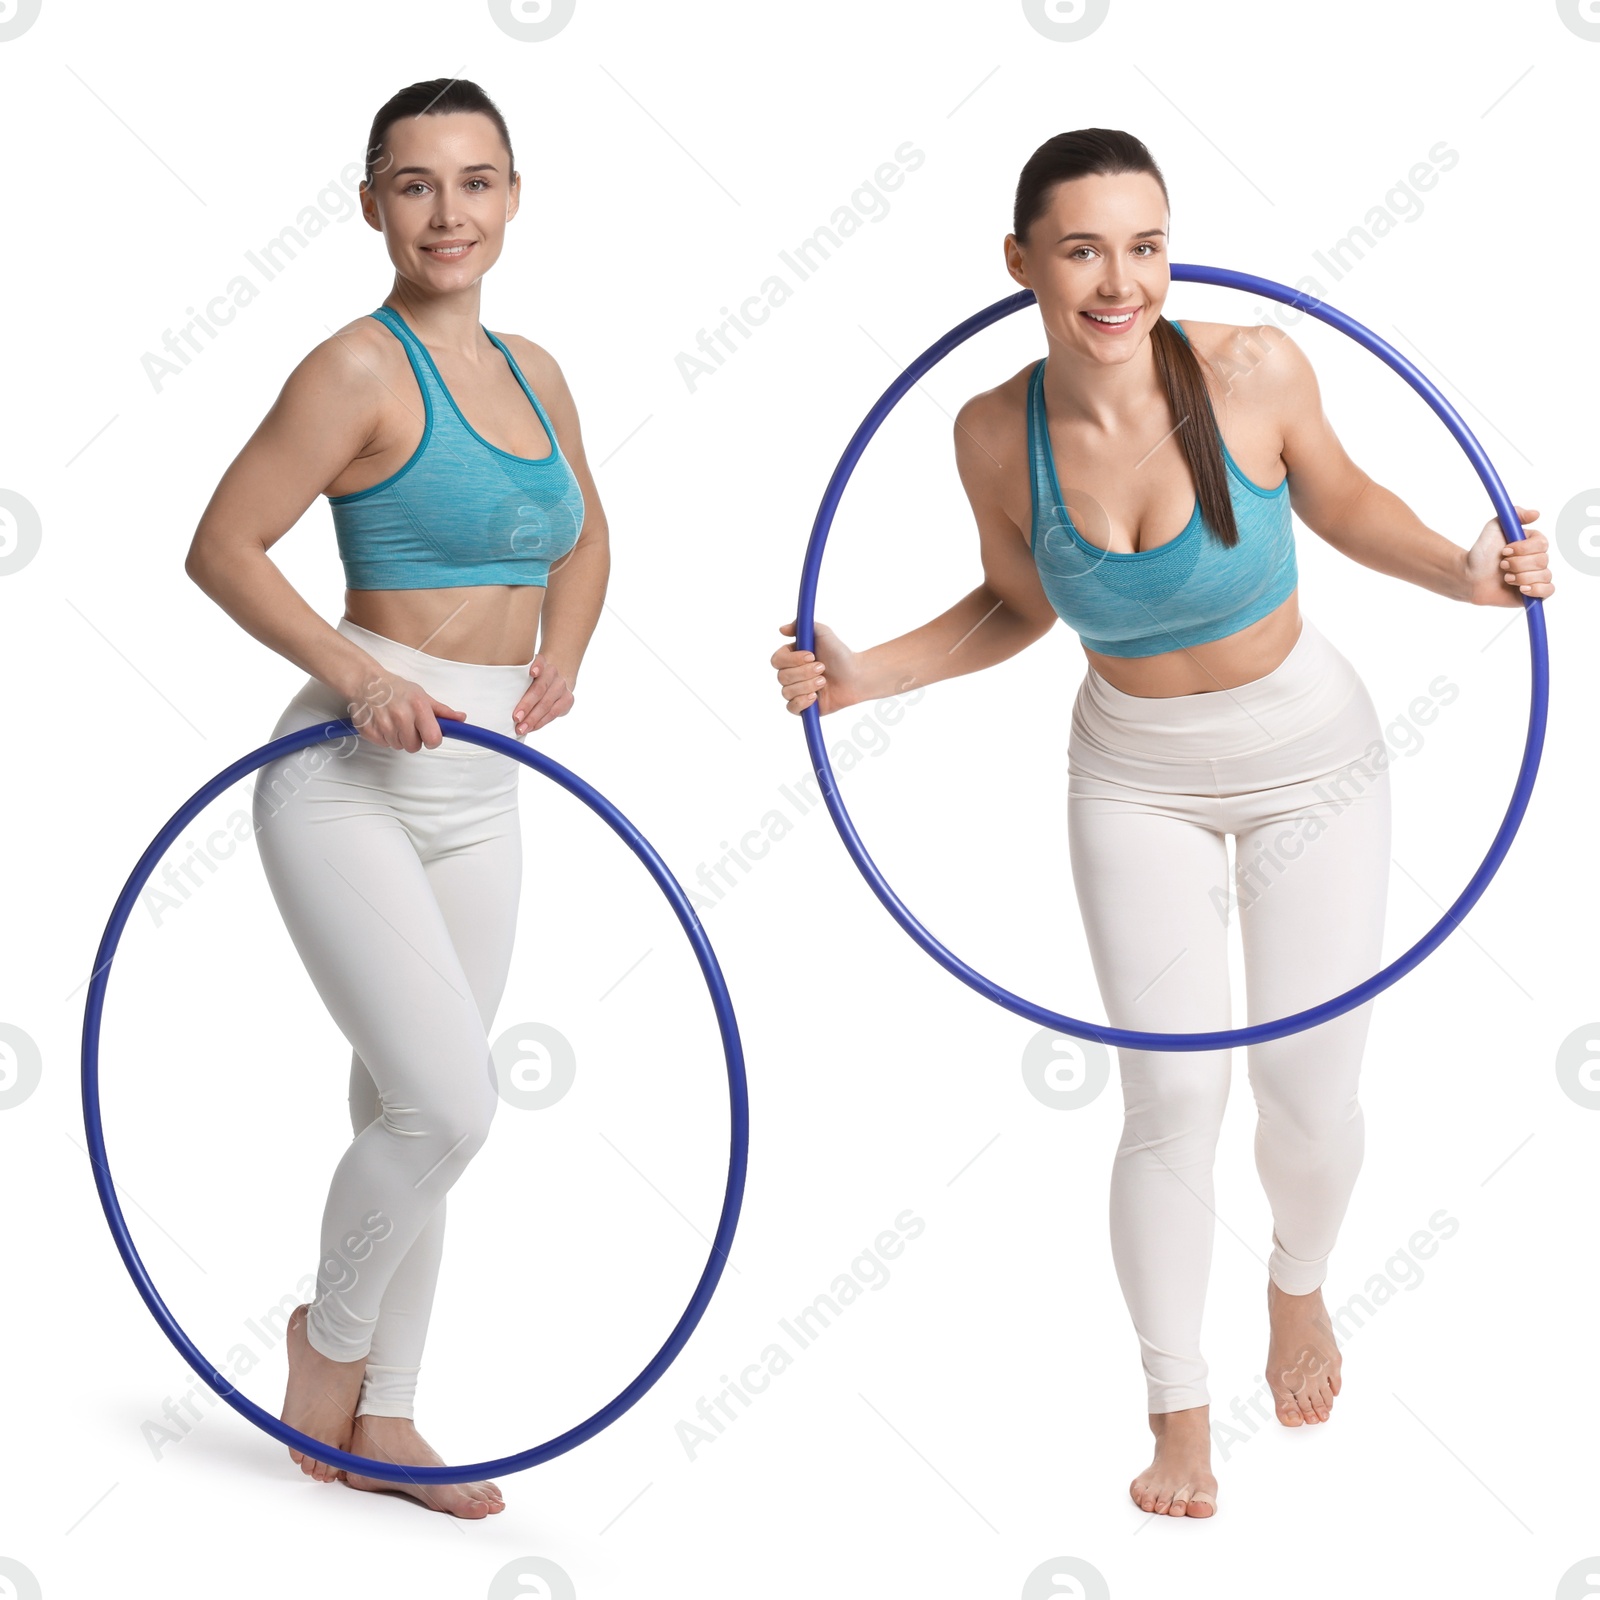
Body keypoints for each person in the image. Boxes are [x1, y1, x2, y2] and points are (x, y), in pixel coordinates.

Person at [769, 128, 1553, 1519]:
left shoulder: (1251, 371)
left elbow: (1349, 499)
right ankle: (1178, 1411)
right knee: (1172, 1094)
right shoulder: (988, 431)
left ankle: (1297, 1284)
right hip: (1132, 775)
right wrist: (862, 674)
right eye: (1081, 248)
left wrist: (1465, 571)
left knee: (1308, 1098)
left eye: (1145, 244)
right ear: (1021, 264)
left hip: (1315, 761)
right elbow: (1020, 604)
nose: (1119, 281)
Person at [184, 78, 608, 1518]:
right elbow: (224, 546)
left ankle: (398, 1417)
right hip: (350, 779)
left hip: (489, 784)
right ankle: (330, 1346)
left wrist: (564, 651)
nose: (450, 213)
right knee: (452, 1101)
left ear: (512, 197)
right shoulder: (355, 372)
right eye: (417, 186)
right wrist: (353, 672)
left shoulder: (538, 369)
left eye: (477, 182)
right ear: (372, 204)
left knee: (411, 1105)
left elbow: (588, 530)